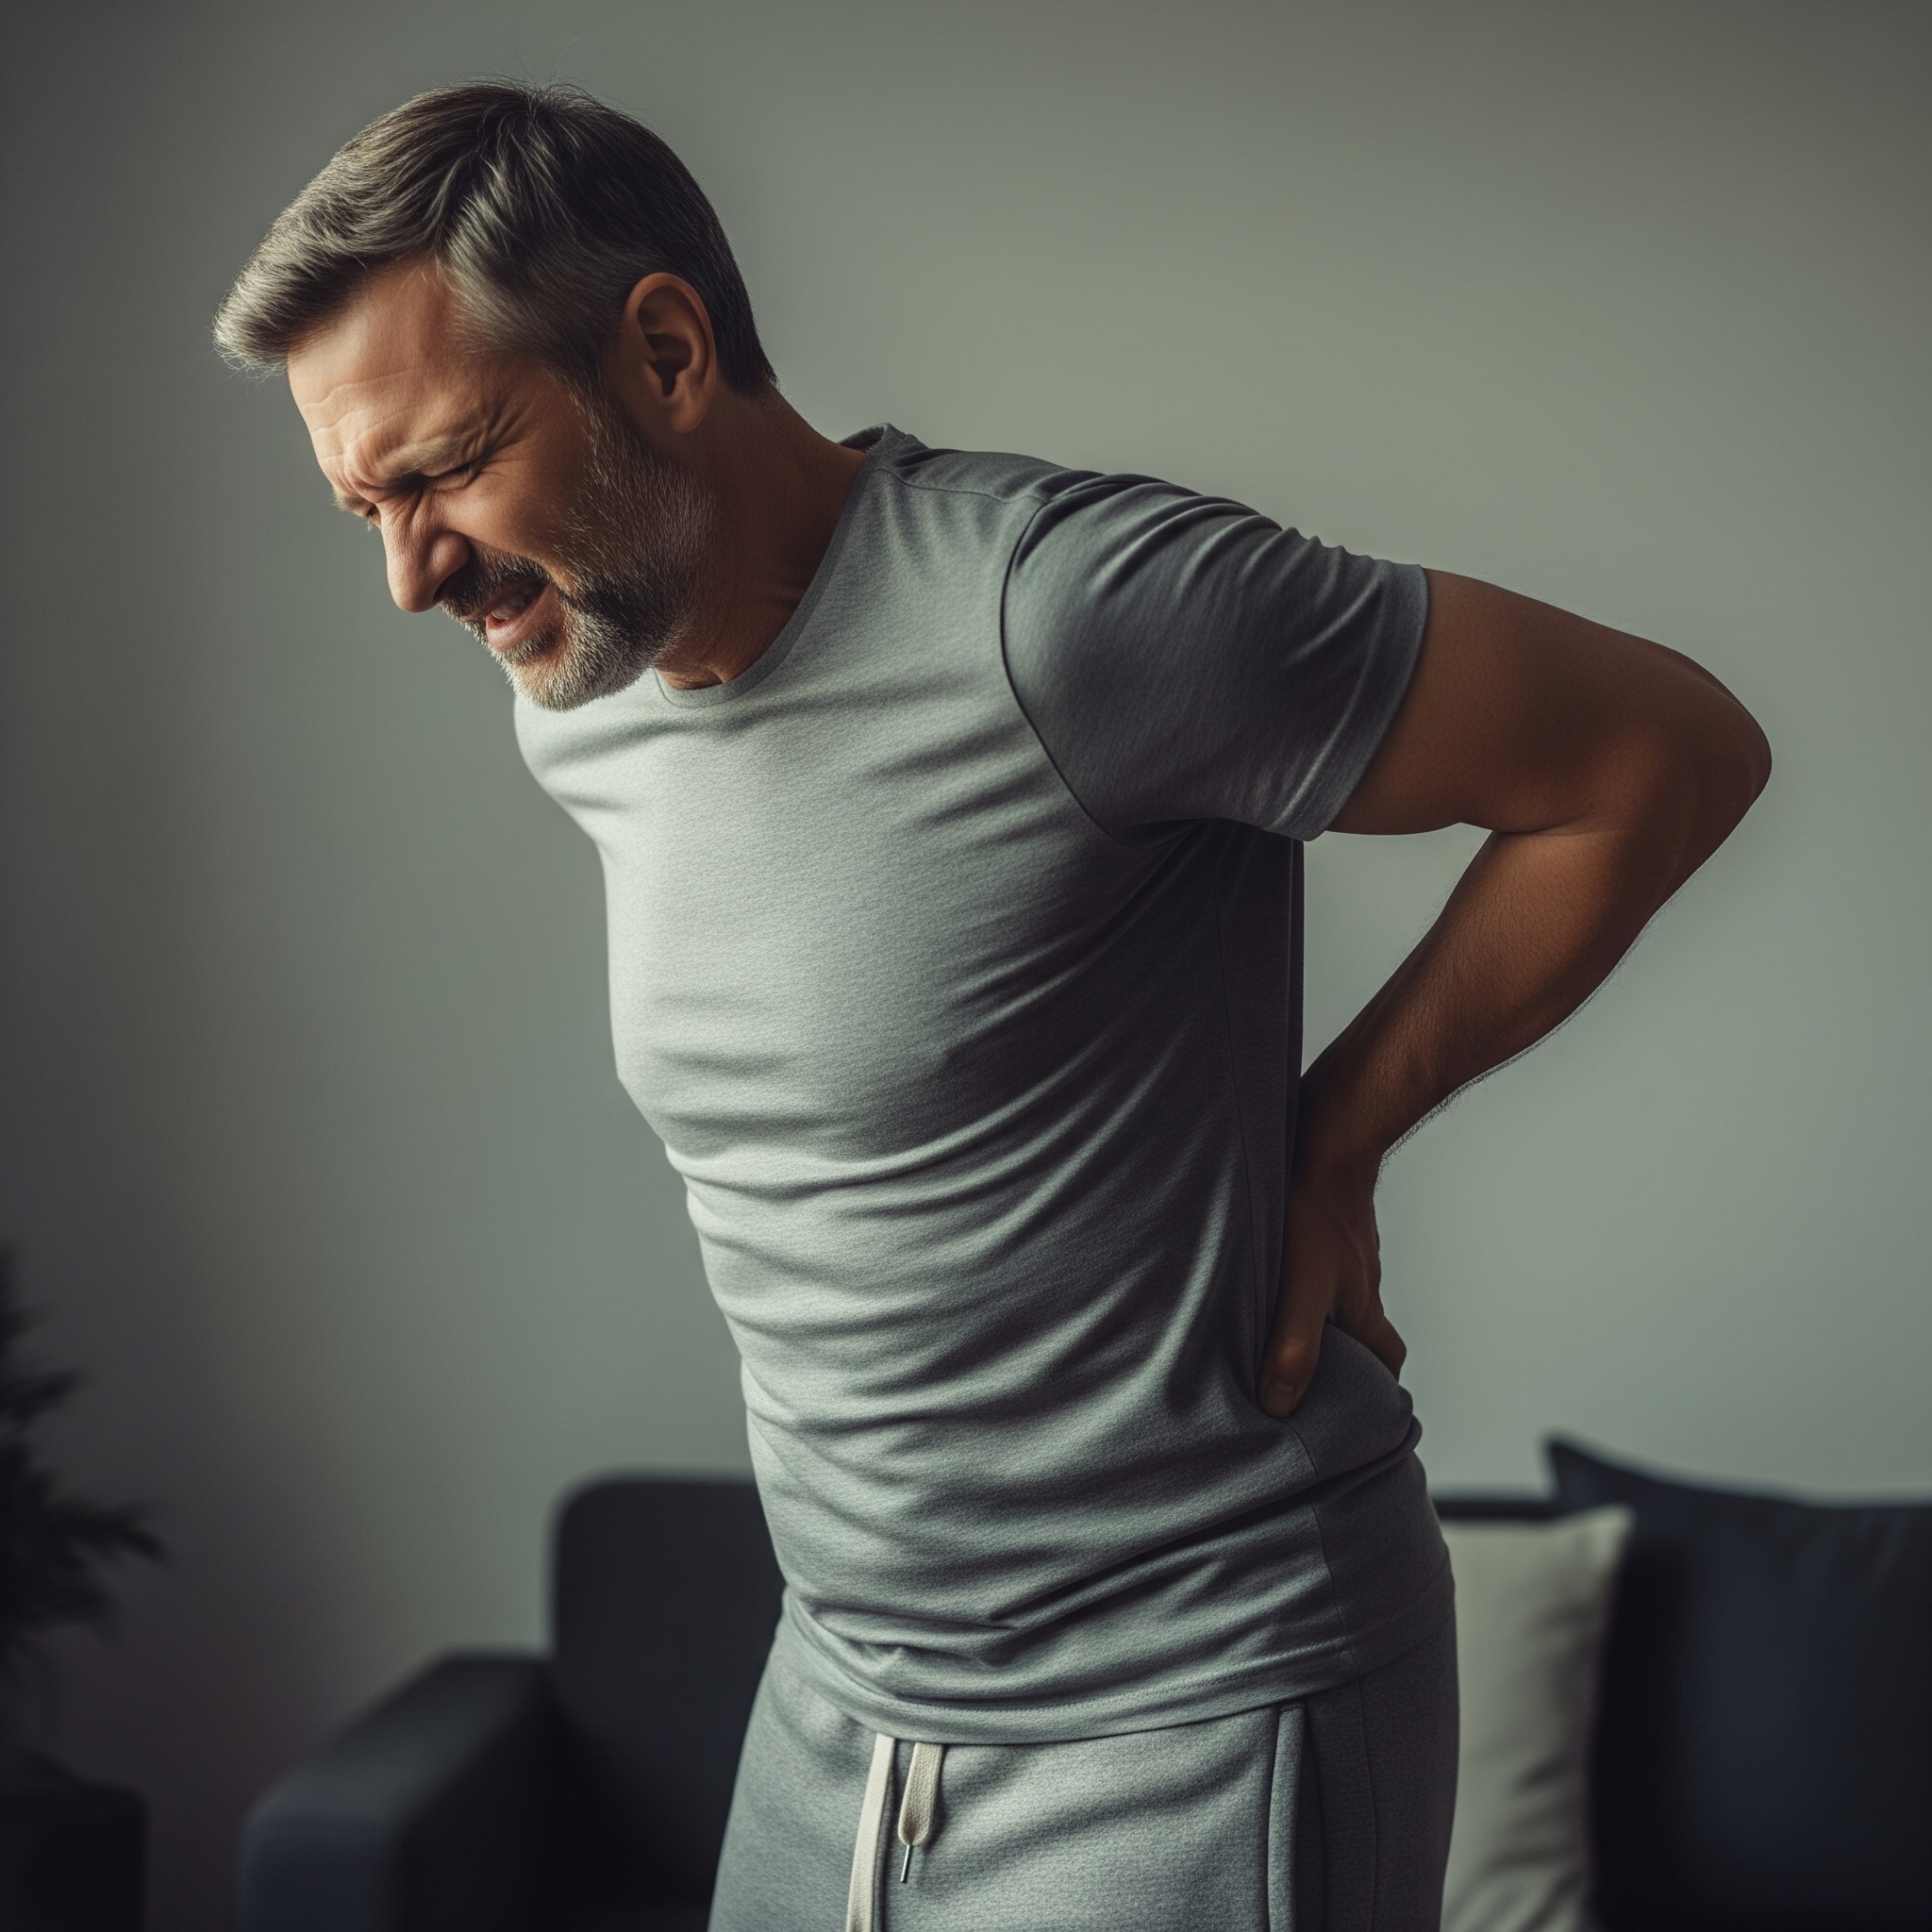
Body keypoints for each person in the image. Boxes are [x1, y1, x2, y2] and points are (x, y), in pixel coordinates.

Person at [214, 80, 1770, 1932]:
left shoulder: (1070, 614)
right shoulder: (585, 691)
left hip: (1195, 1705)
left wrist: (1336, 1132)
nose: (408, 574)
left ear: (663, 348)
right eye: (362, 506)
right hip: (843, 1700)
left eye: (444, 465)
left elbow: (1659, 755)